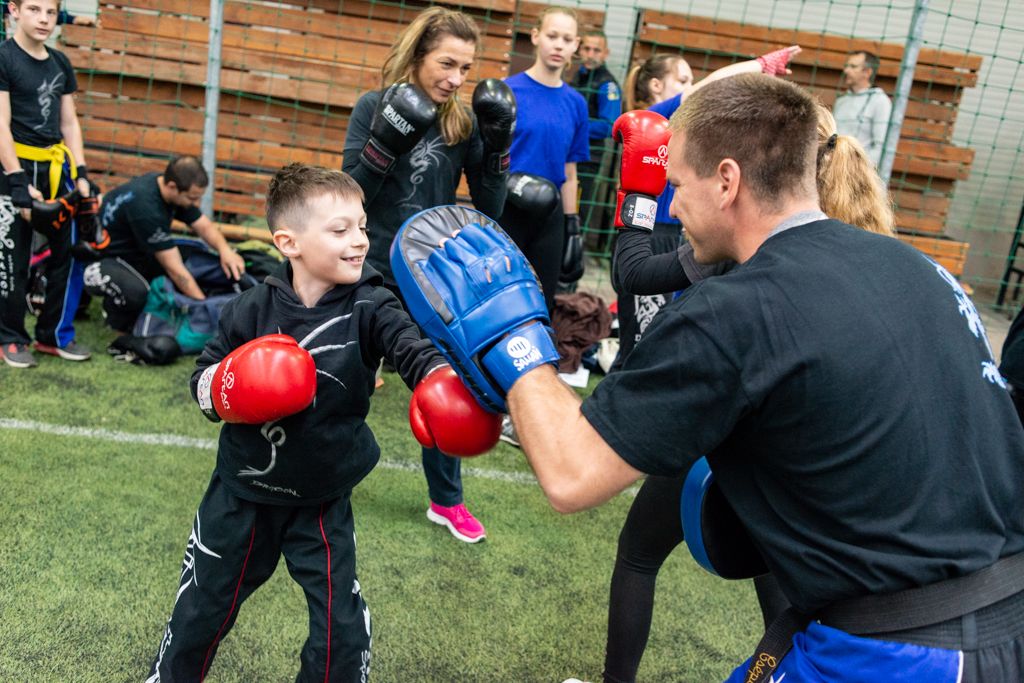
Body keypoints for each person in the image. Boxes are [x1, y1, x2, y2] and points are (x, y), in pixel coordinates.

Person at [404, 74, 1024, 681]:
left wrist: (515, 343)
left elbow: (571, 475)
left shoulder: (740, 308)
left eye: (678, 184)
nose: (673, 204)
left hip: (900, 656)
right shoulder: (921, 268)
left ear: (727, 181)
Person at [146, 164, 498, 681]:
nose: (358, 241)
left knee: (339, 628)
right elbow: (201, 383)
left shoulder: (373, 304)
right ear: (288, 242)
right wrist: (231, 386)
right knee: (200, 607)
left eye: (361, 227)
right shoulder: (249, 310)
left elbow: (411, 347)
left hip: (323, 499)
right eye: (340, 230)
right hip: (241, 492)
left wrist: (440, 380)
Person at [601, 101, 894, 683]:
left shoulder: (750, 240)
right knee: (777, 573)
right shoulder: (861, 246)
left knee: (638, 554)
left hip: (718, 413)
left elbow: (633, 275)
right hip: (799, 439)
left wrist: (637, 191)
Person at [342, 6, 512, 543]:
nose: (457, 79)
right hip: (368, 265)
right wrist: (382, 144)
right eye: (446, 63)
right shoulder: (374, 105)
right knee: (347, 381)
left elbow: (490, 208)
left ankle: (446, 501)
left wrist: (496, 150)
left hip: (428, 272)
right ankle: (322, 477)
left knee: (447, 385)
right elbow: (348, 196)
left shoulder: (462, 123)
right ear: (418, 55)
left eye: (466, 68)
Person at [613, 47, 800, 369]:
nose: (690, 85)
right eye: (683, 79)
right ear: (657, 86)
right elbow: (711, 88)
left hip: (674, 232)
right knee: (643, 339)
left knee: (662, 330)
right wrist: (758, 63)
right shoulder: (659, 115)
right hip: (651, 234)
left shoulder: (676, 124)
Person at [0, 0, 95, 368]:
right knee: (13, 259)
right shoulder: (5, 58)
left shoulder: (59, 62)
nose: (43, 19)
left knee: (66, 256)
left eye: (50, 12)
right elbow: (1, 125)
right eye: (34, 9)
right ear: (14, 10)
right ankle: (10, 338)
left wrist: (82, 173)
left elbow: (69, 123)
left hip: (57, 171)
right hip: (14, 169)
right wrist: (18, 181)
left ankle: (52, 336)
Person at [81, 156, 246, 335]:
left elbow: (203, 226)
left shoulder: (167, 187)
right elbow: (175, 269)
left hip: (137, 251)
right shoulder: (146, 208)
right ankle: (115, 318)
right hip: (105, 260)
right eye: (192, 198)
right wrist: (203, 307)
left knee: (195, 257)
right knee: (137, 294)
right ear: (172, 187)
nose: (196, 204)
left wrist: (225, 250)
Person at [502, 6, 590, 308]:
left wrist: (571, 225)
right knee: (500, 297)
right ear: (536, 36)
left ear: (575, 46)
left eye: (567, 39)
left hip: (550, 217)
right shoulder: (509, 91)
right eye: (552, 36)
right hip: (508, 209)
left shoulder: (576, 104)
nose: (559, 45)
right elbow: (487, 160)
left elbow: (570, 169)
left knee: (542, 302)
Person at [568, 29, 620, 246]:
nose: (590, 54)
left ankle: (569, 269)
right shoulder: (577, 75)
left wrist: (573, 123)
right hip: (567, 155)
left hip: (588, 161)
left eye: (596, 50)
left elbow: (610, 126)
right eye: (587, 48)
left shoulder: (607, 84)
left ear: (605, 53)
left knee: (575, 214)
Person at [833, 50, 892, 168]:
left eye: (853, 66)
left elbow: (880, 146)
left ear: (867, 72)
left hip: (859, 174)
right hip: (834, 170)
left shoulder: (880, 101)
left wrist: (861, 171)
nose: (846, 71)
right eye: (847, 66)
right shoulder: (841, 101)